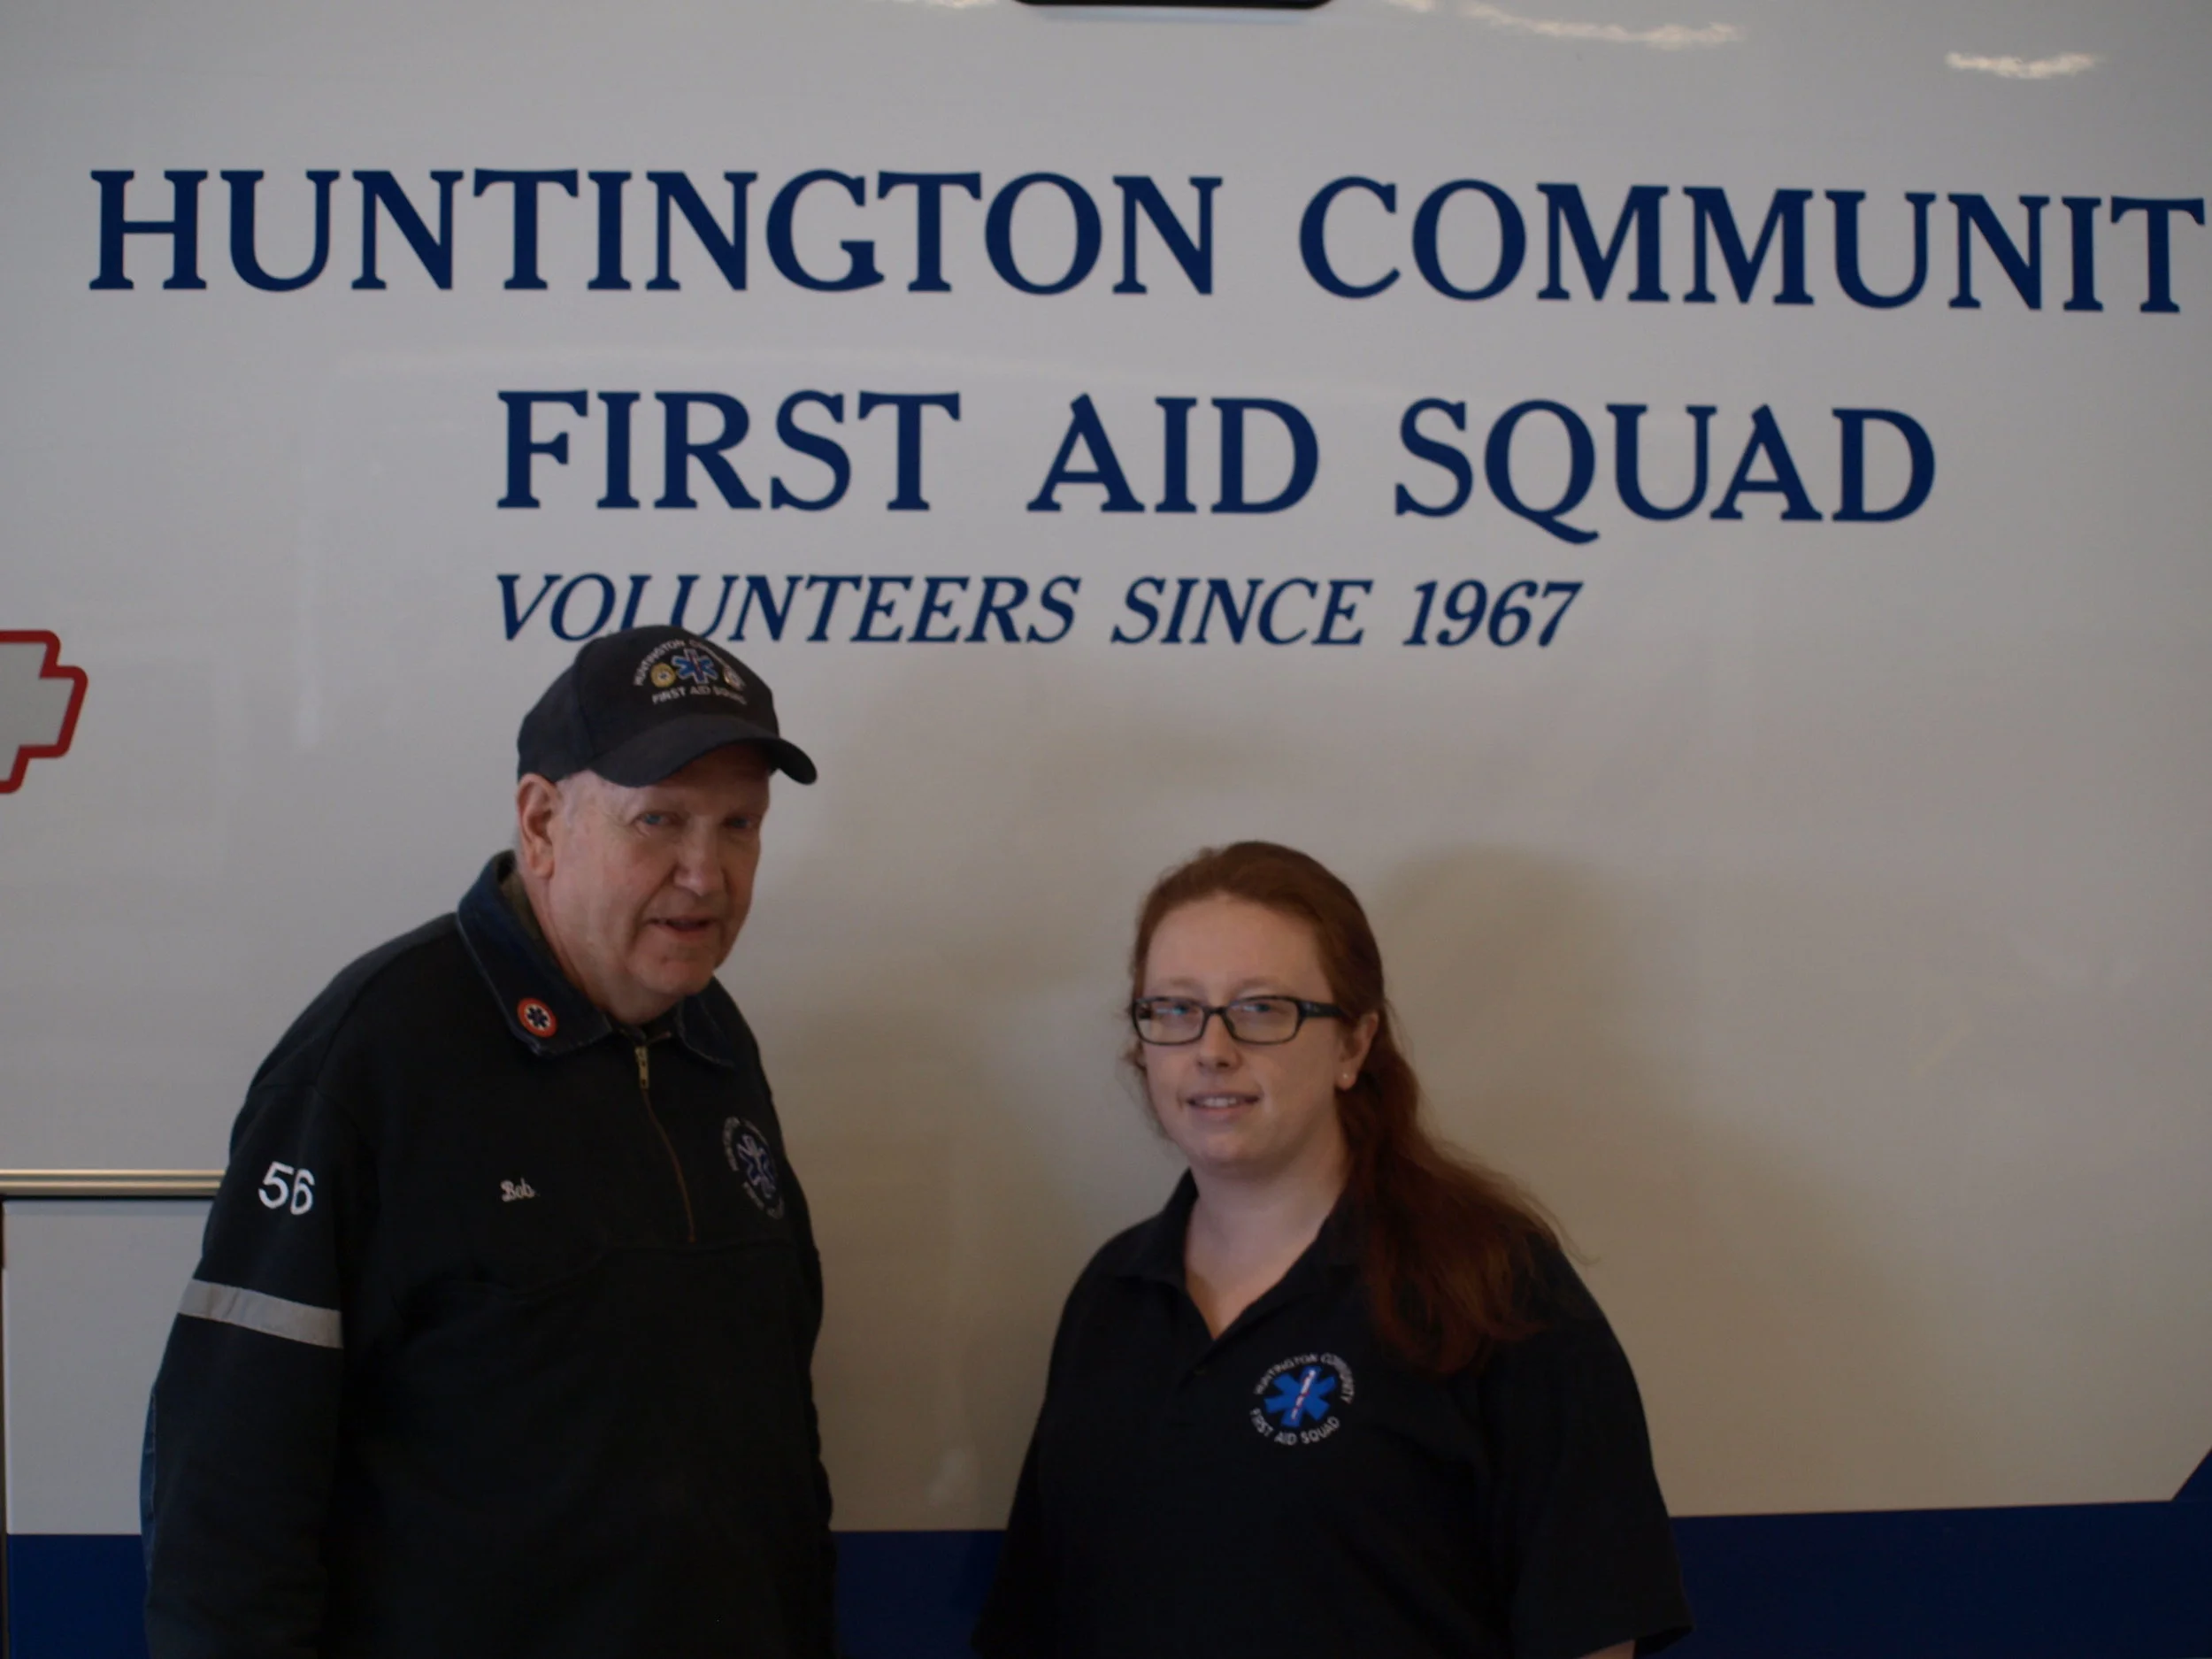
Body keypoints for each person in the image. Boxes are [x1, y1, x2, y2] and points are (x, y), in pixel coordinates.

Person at [142, 626, 837, 1659]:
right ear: (543, 821)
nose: (706, 874)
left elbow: (770, 1437)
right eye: (661, 821)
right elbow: (227, 1496)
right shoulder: (374, 1057)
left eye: (739, 825)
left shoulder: (713, 1040)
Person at [975, 842, 1693, 1659]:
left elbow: (1589, 1631)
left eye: (1261, 1008)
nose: (1212, 1047)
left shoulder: (1490, 1284)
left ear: (1354, 1045)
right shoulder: (1110, 1299)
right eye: (1174, 1009)